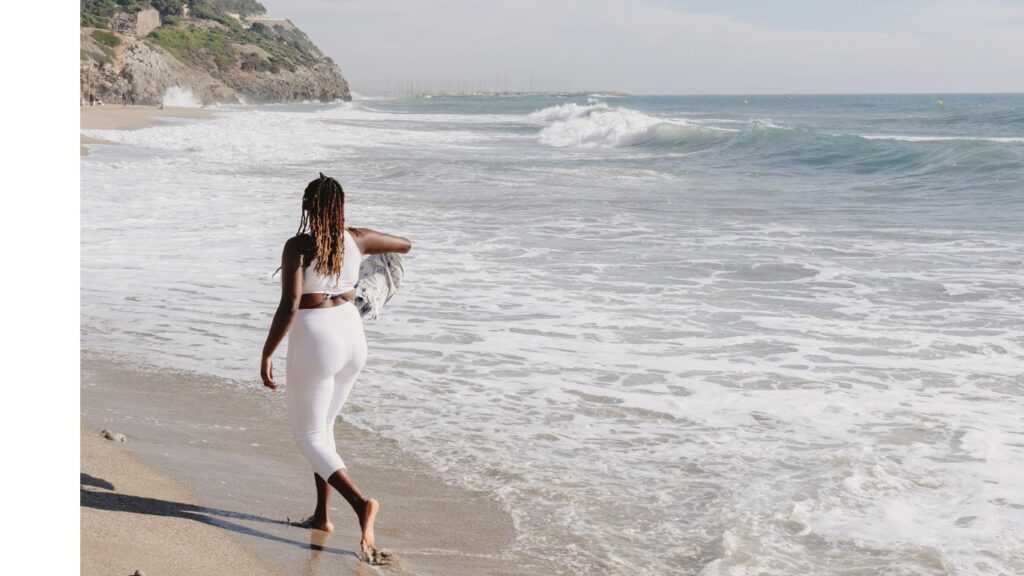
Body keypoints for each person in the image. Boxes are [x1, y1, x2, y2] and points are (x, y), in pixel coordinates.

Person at [260, 174, 412, 562]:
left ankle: (361, 504)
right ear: (340, 207)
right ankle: (322, 516)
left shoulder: (299, 246)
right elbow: (405, 244)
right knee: (323, 429)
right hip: (352, 335)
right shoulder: (357, 238)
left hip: (316, 338)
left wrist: (267, 353)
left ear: (309, 207)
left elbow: (289, 304)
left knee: (308, 433)